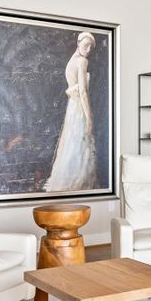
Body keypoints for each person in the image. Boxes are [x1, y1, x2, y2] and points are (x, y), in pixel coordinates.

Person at [44, 31, 97, 192]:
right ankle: (78, 183)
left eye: (90, 47)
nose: (88, 50)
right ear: (78, 43)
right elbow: (82, 92)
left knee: (72, 144)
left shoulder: (71, 62)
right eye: (85, 45)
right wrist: (89, 117)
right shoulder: (81, 61)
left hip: (71, 108)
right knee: (79, 144)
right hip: (79, 108)